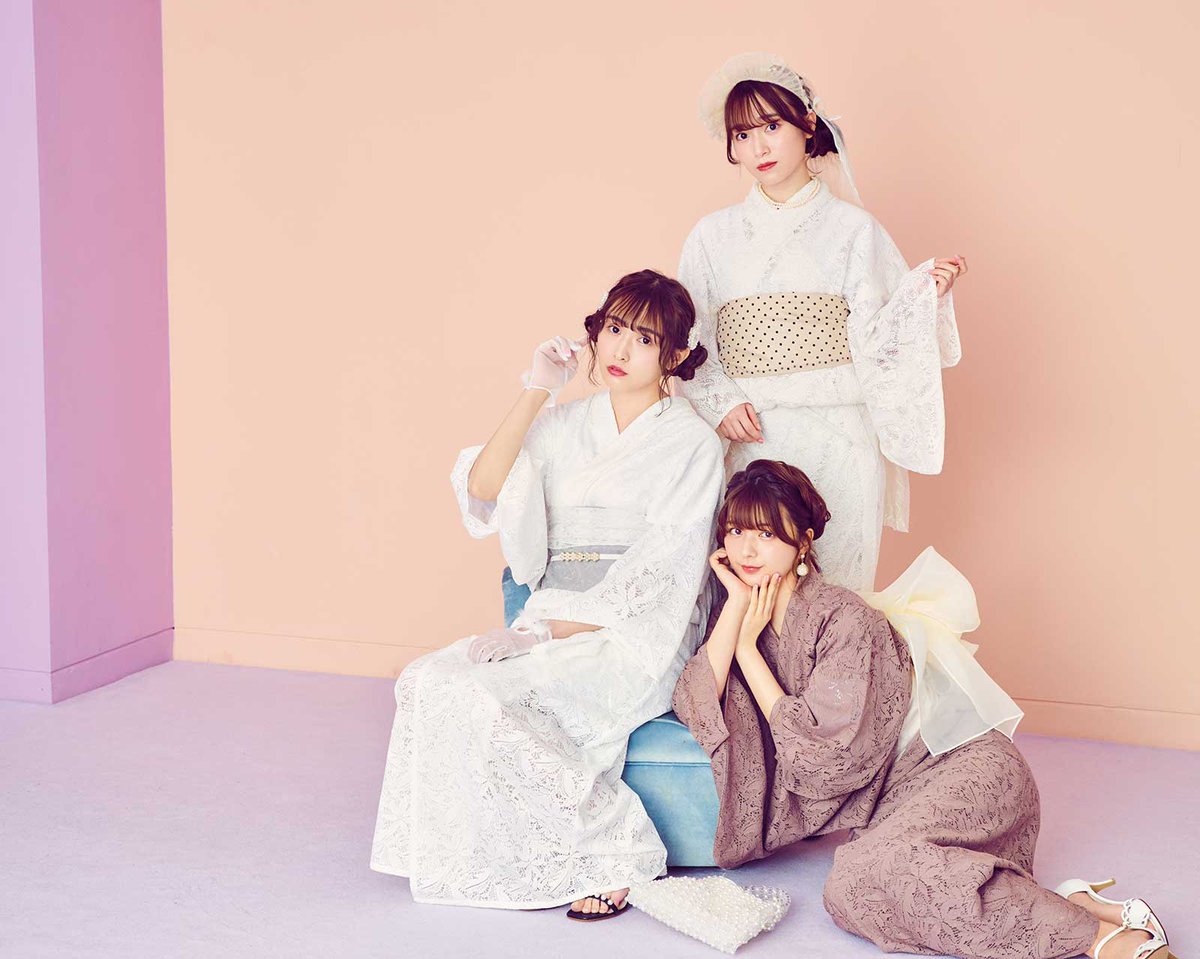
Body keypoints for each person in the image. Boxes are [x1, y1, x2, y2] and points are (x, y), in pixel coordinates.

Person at [671, 459, 1171, 959]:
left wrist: (747, 652)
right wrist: (735, 608)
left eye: (765, 533)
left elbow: (826, 760)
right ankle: (1078, 904)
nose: (747, 549)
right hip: (901, 802)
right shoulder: (742, 615)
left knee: (859, 876)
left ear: (802, 542)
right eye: (735, 531)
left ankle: (1099, 938)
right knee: (855, 891)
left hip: (965, 768)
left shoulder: (845, 619)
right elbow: (696, 698)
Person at [370, 270, 726, 920]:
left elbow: (666, 576)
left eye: (644, 339)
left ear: (675, 355)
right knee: (428, 680)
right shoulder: (564, 425)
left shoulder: (692, 444)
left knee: (491, 696)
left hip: (630, 636)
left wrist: (543, 633)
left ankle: (621, 845)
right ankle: (496, 846)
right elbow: (484, 487)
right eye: (613, 329)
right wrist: (537, 389)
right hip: (545, 620)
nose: (620, 349)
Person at [677, 51, 968, 590]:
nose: (759, 147)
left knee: (838, 594)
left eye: (772, 126)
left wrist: (921, 299)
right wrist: (721, 405)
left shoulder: (854, 229)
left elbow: (879, 339)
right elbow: (688, 340)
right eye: (743, 135)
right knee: (748, 596)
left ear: (807, 124)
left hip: (840, 436)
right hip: (752, 435)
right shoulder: (711, 237)